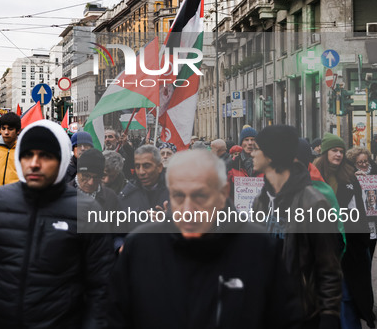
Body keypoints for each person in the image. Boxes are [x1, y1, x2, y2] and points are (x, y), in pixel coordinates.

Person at [107, 150, 302, 328]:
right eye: (178, 196)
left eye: (200, 196)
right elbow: (116, 317)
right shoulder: (142, 246)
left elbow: (284, 317)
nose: (188, 209)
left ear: (223, 194)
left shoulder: (257, 246)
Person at [0, 120, 114, 328]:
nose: (34, 163)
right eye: (28, 155)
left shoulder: (86, 211)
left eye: (45, 156)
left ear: (62, 159)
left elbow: (101, 287)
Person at [251, 125, 342, 329]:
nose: (252, 153)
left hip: (301, 313)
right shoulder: (261, 201)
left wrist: (329, 315)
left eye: (257, 148)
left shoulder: (313, 203)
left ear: (272, 155)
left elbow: (329, 268)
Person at [314, 133, 375, 329]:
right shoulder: (315, 176)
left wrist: (363, 239)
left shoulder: (350, 176)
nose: (339, 155)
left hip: (348, 245)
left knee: (348, 295)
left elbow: (359, 211)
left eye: (341, 151)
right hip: (322, 245)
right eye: (334, 150)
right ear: (325, 153)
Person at [118, 145, 168, 232]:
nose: (141, 172)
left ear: (159, 167)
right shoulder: (126, 195)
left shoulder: (176, 194)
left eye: (146, 166)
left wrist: (170, 222)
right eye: (137, 166)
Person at [71, 148, 119, 213]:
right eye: (86, 176)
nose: (91, 182)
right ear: (78, 172)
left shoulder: (111, 198)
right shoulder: (61, 194)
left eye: (96, 177)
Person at [227, 127, 263, 202]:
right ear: (241, 143)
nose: (249, 143)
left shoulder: (265, 165)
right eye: (246, 140)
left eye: (252, 139)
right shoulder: (232, 165)